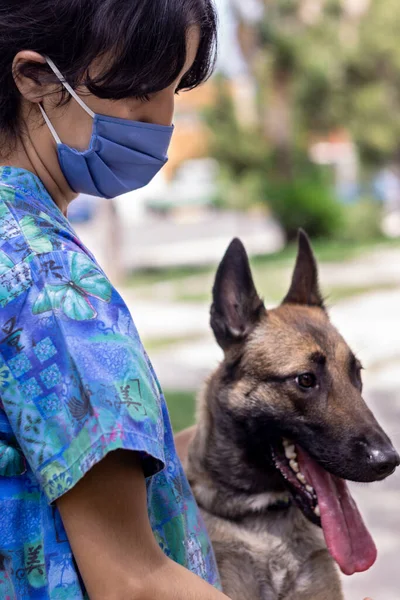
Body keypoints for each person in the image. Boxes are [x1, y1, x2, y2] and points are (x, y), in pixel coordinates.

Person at [0, 1, 231, 598]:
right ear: (34, 79)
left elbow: (37, 463)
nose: (162, 119)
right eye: (139, 89)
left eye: (174, 86)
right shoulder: (48, 283)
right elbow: (132, 581)